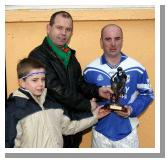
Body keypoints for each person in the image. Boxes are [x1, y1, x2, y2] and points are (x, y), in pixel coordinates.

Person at [28, 11, 112, 148]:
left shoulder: (69, 56)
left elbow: (79, 83)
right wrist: (86, 104)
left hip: (73, 128)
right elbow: (56, 89)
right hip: (51, 131)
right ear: (49, 28)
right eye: (59, 28)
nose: (63, 33)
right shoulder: (37, 56)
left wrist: (98, 91)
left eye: (68, 29)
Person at [5, 58, 110, 148]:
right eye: (35, 80)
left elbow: (69, 126)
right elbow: (8, 145)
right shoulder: (13, 109)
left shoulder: (52, 103)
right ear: (22, 82)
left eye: (43, 79)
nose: (40, 84)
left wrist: (95, 117)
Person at [83, 24, 154, 148]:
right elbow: (83, 96)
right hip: (100, 134)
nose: (113, 44)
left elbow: (147, 94)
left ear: (122, 41)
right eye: (108, 39)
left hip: (128, 134)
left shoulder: (137, 67)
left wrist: (131, 109)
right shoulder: (90, 70)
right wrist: (91, 106)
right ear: (101, 42)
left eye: (117, 38)